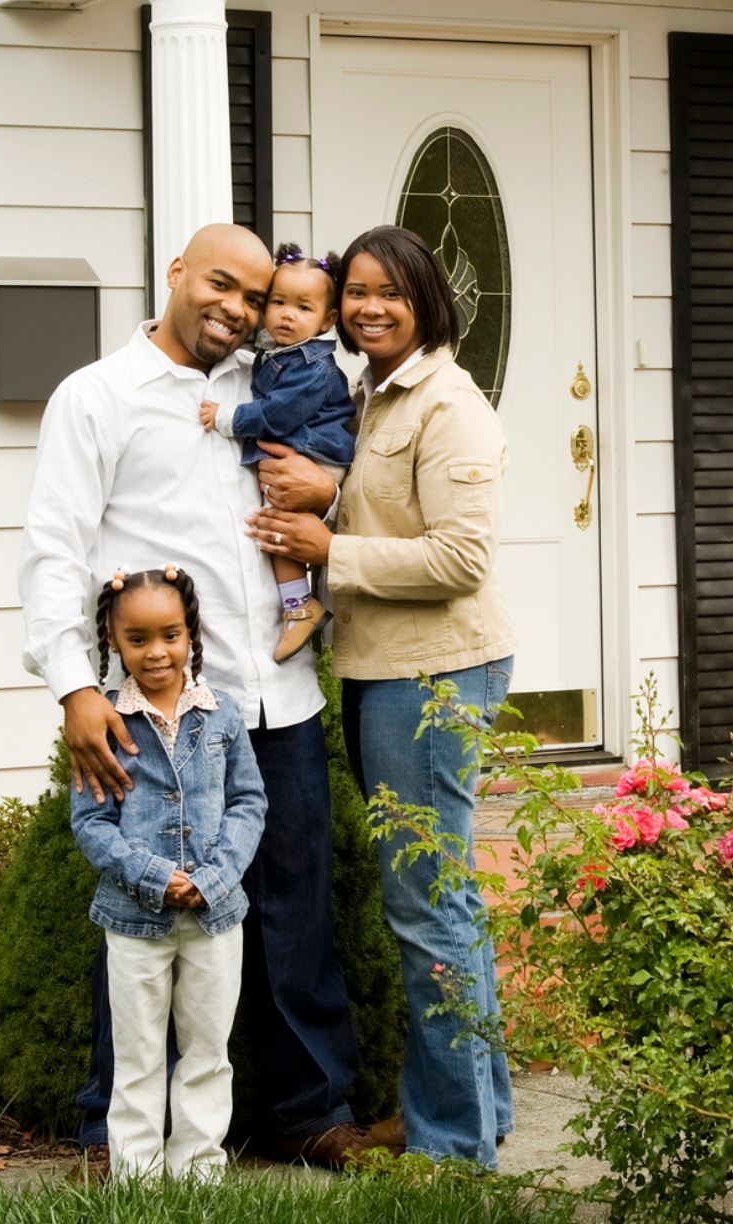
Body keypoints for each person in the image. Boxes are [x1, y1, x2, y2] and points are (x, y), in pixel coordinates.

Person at [20, 223, 380, 1169]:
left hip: (280, 696)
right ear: (177, 274)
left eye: (257, 298)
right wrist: (73, 689)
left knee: (296, 908)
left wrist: (329, 491)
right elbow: (55, 551)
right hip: (161, 717)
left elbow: (329, 500)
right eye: (222, 284)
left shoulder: (270, 392)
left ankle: (310, 1111)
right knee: (142, 917)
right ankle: (115, 1130)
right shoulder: (98, 397)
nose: (238, 309)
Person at [249, 225, 518, 1167]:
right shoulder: (372, 394)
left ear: (426, 300)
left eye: (388, 294)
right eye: (353, 291)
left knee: (428, 907)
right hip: (384, 668)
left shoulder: (449, 405)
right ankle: (472, 1111)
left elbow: (459, 557)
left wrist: (331, 552)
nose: (367, 308)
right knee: (441, 901)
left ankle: (453, 1144)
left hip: (433, 674)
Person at [71, 565, 263, 1179]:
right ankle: (137, 1178)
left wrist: (210, 878)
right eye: (137, 639)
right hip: (134, 918)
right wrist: (156, 876)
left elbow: (248, 802)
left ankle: (199, 1173)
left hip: (215, 916)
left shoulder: (222, 714)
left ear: (191, 633)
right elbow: (92, 824)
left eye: (170, 635)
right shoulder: (105, 721)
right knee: (138, 1054)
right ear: (112, 641)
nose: (156, 652)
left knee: (207, 1050)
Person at [199, 244, 357, 662]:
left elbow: (277, 416)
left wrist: (226, 418)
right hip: (305, 448)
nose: (287, 314)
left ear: (327, 321)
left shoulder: (312, 367)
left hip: (316, 454)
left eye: (303, 307)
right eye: (278, 302)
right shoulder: (279, 356)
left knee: (279, 530)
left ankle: (298, 606)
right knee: (277, 530)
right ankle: (298, 604)